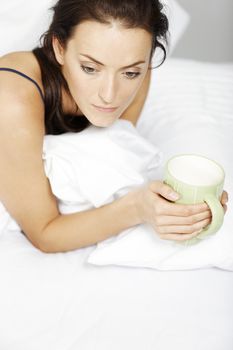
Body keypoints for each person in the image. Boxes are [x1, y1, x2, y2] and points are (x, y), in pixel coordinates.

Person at [0, 0, 228, 253]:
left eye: (130, 73)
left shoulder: (140, 67)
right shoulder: (12, 100)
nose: (109, 95)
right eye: (89, 68)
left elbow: (113, 152)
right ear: (59, 47)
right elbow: (44, 233)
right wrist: (137, 208)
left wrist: (182, 207)